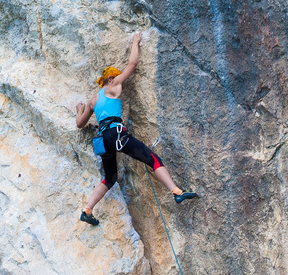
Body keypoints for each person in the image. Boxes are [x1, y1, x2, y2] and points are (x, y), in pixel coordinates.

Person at [76, 31, 198, 226]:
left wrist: (79, 110)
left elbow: (80, 123)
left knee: (110, 178)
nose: (119, 82)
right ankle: (177, 192)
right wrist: (135, 41)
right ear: (109, 79)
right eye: (116, 78)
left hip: (103, 140)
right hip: (116, 134)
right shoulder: (112, 86)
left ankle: (87, 209)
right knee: (153, 159)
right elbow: (132, 64)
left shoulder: (93, 100)